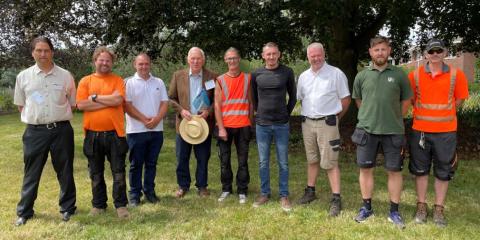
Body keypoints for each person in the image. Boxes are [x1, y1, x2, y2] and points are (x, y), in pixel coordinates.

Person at [13, 36, 77, 226]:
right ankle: (25, 211)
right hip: (35, 132)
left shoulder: (65, 75)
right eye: (39, 50)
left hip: (61, 130)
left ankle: (67, 208)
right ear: (32, 53)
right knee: (31, 172)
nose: (43, 54)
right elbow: (21, 105)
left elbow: (72, 104)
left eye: (46, 50)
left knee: (65, 170)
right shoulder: (23, 77)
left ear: (52, 52)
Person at [351, 36, 412, 228]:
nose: (380, 53)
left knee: (394, 171)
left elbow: (406, 102)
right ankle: (366, 208)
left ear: (389, 51)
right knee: (365, 169)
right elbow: (359, 101)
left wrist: (394, 118)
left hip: (393, 131)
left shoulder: (400, 74)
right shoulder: (361, 76)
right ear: (370, 52)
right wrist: (370, 116)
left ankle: (394, 211)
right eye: (376, 50)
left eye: (383, 49)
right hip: (366, 130)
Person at [408, 38, 469, 227]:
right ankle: (421, 207)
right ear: (426, 54)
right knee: (421, 171)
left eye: (439, 51)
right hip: (421, 132)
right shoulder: (414, 75)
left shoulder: (456, 75)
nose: (435, 55)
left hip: (446, 132)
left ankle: (439, 209)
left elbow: (459, 100)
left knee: (443, 172)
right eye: (431, 51)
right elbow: (411, 100)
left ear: (445, 52)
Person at [296, 42, 351, 217]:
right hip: (307, 123)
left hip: (327, 123)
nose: (316, 58)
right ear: (308, 57)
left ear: (324, 54)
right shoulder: (303, 76)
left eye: (318, 55)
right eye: (312, 55)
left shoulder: (336, 74)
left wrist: (335, 119)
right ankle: (310, 191)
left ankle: (336, 198)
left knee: (330, 162)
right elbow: (301, 99)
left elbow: (346, 99)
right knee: (312, 159)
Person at [76, 46, 130, 219]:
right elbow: (81, 105)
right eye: (102, 59)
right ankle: (98, 205)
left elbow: (118, 100)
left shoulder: (118, 80)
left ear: (112, 63)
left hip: (115, 134)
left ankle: (121, 205)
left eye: (108, 60)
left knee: (119, 171)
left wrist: (94, 97)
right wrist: (108, 101)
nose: (105, 63)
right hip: (92, 135)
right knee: (95, 172)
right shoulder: (86, 81)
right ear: (95, 61)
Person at [251, 42, 296, 212]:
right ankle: (264, 193)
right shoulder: (256, 74)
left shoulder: (287, 72)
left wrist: (286, 113)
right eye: (268, 54)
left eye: (274, 54)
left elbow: (293, 96)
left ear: (279, 54)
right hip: (262, 124)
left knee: (283, 162)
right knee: (263, 162)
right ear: (263, 56)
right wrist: (259, 112)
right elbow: (254, 97)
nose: (271, 57)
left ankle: (284, 195)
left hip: (281, 124)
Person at [168, 47, 218, 198]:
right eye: (193, 58)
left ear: (203, 60)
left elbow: (217, 99)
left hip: (203, 125)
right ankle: (183, 186)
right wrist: (181, 110)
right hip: (184, 124)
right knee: (182, 157)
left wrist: (209, 111)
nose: (196, 61)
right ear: (188, 59)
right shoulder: (178, 76)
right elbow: (171, 98)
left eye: (199, 58)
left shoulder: (212, 77)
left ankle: (202, 186)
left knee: (203, 157)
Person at [124, 53, 169, 206]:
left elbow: (164, 103)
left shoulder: (159, 82)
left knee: (151, 163)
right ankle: (135, 195)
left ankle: (149, 192)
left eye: (146, 64)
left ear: (150, 64)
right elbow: (127, 106)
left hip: (156, 130)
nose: (144, 66)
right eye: (140, 64)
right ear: (134, 65)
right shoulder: (129, 83)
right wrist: (144, 120)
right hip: (136, 131)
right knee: (136, 164)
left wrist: (156, 119)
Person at [214, 47, 253, 204]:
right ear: (225, 60)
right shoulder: (220, 80)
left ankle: (242, 190)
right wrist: (221, 128)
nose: (232, 61)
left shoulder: (248, 78)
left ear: (239, 59)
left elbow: (251, 103)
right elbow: (217, 106)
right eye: (229, 58)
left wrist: (250, 122)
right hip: (225, 127)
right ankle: (226, 188)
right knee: (224, 160)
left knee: (243, 160)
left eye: (234, 58)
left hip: (243, 126)